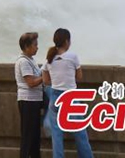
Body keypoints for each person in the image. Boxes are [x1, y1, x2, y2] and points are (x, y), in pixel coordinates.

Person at [42, 28, 93, 158]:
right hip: (71, 98)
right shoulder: (72, 57)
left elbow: (46, 80)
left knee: (57, 136)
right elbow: (79, 76)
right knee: (80, 133)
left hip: (55, 98)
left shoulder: (49, 58)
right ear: (66, 41)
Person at [15, 32, 43, 158]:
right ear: (27, 46)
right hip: (28, 101)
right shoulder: (23, 62)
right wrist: (44, 78)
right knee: (28, 136)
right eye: (35, 45)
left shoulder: (31, 60)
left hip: (34, 101)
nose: (37, 47)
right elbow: (31, 82)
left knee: (35, 136)